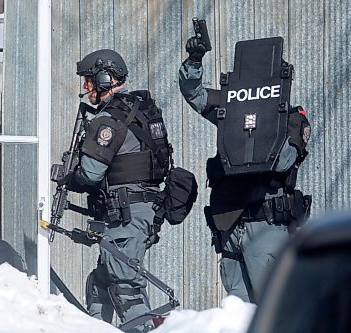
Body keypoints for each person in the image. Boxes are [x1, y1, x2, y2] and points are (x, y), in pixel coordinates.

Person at [179, 37, 311, 303]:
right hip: (230, 225)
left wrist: (262, 127)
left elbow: (283, 160)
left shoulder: (293, 118)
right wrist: (195, 60)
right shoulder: (232, 107)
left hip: (267, 226)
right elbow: (195, 94)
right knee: (236, 312)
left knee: (275, 311)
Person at [66, 49, 172, 332]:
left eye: (89, 80)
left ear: (104, 78)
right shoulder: (139, 111)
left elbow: (90, 174)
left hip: (126, 215)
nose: (86, 87)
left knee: (126, 287)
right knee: (100, 284)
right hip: (138, 212)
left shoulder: (110, 119)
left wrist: (67, 176)